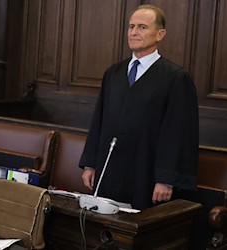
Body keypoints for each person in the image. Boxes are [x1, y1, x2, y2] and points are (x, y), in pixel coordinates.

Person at [79, 4, 198, 210]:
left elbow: (178, 132)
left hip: (146, 173)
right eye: (131, 26)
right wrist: (91, 164)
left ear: (160, 34)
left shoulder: (176, 78)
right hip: (110, 170)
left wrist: (166, 179)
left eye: (142, 27)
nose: (133, 32)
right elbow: (99, 120)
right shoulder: (113, 73)